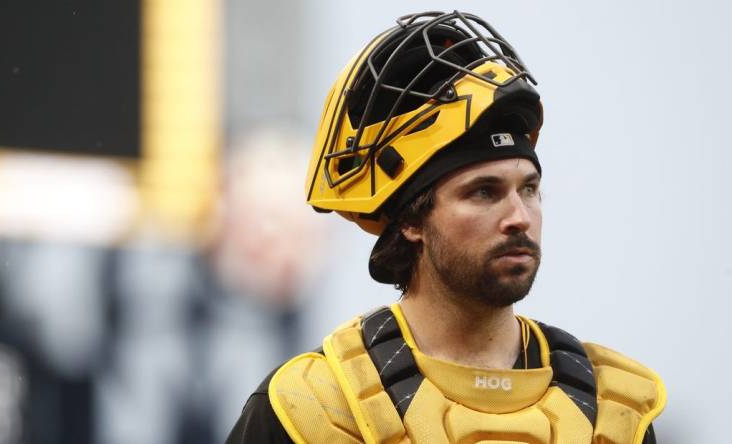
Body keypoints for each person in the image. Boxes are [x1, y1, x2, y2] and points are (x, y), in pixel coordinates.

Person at [228, 10, 666, 443]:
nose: (519, 216)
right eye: (484, 192)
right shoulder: (312, 410)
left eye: (528, 189)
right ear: (412, 220)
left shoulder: (614, 413)